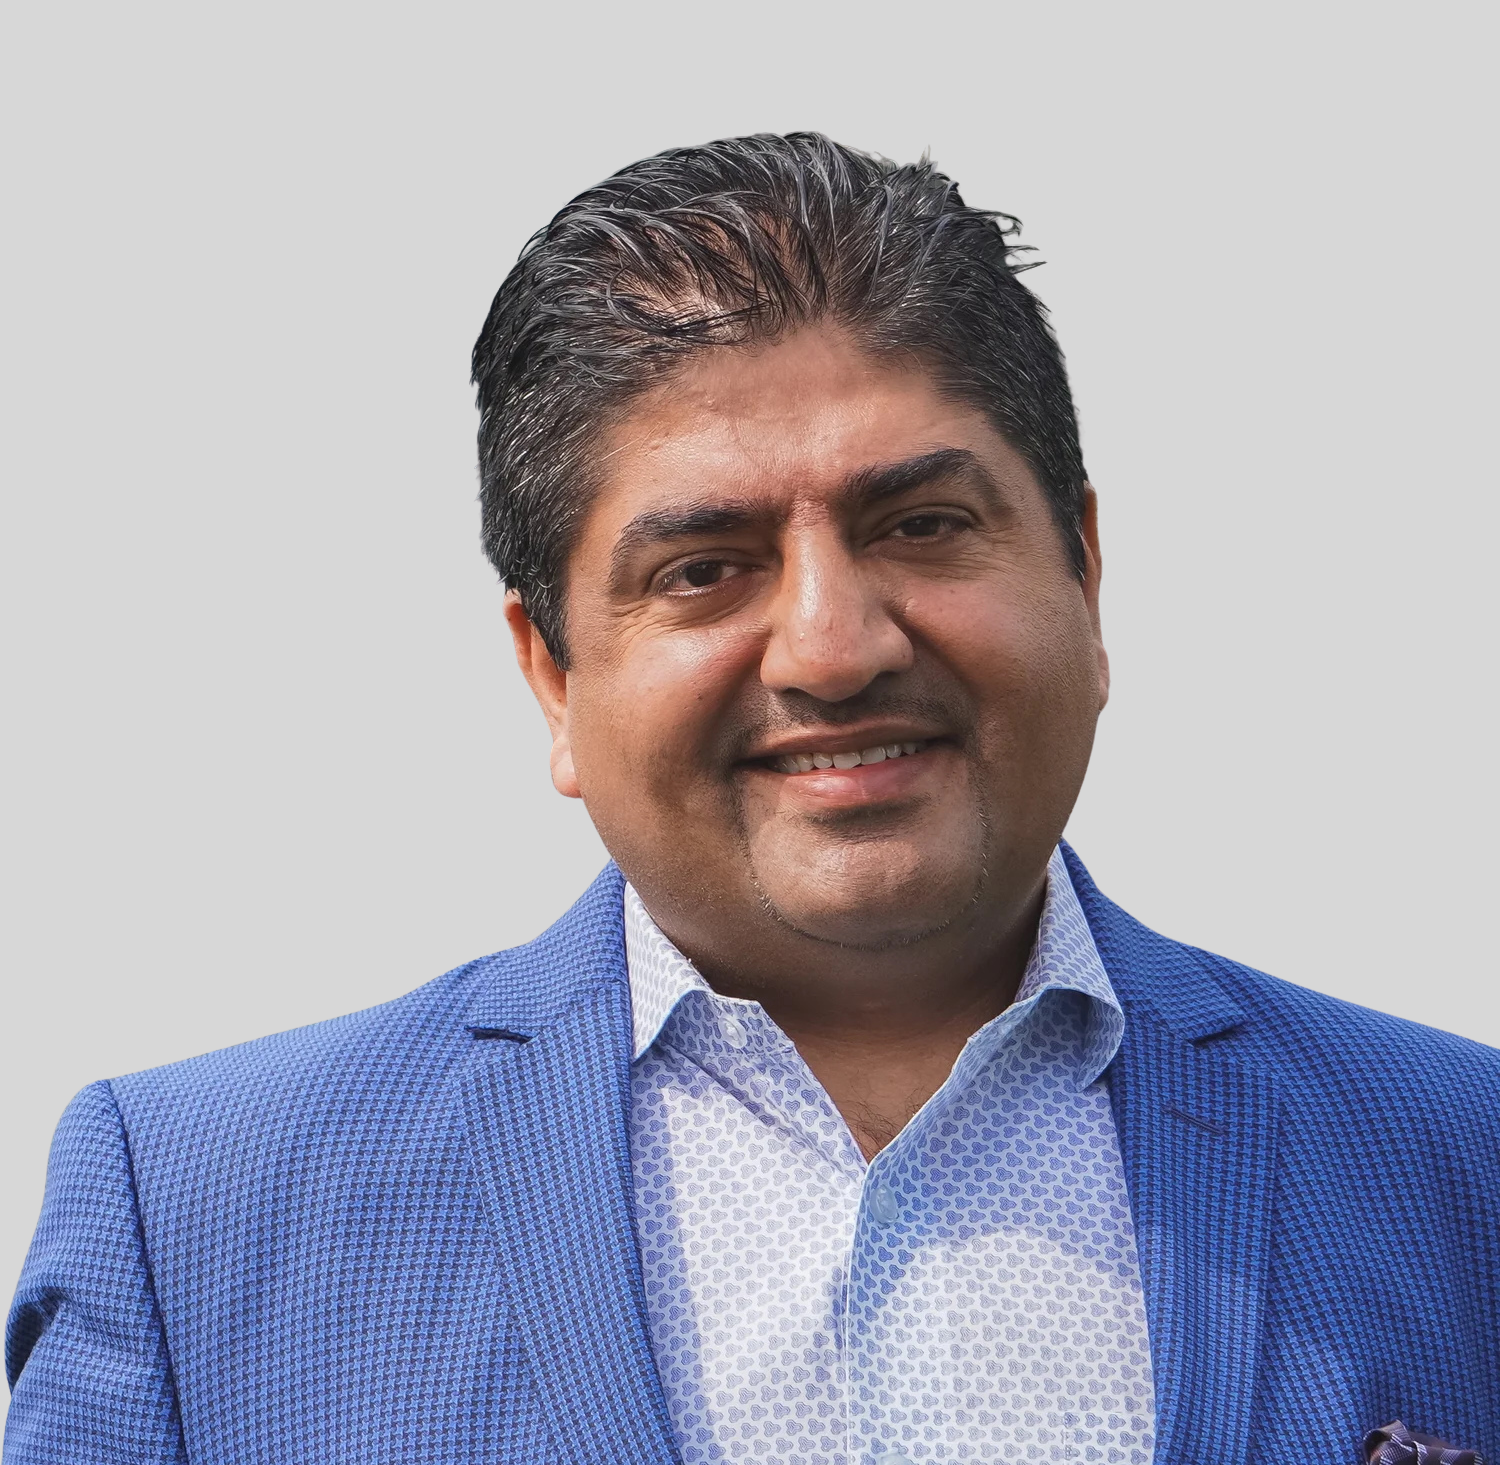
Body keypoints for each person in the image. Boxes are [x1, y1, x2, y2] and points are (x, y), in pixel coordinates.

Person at [6, 133, 1497, 1465]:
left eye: (923, 524)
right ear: (551, 674)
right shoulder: (197, 1221)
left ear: (1085, 576)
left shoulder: (1463, 1165)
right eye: (704, 568)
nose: (835, 648)